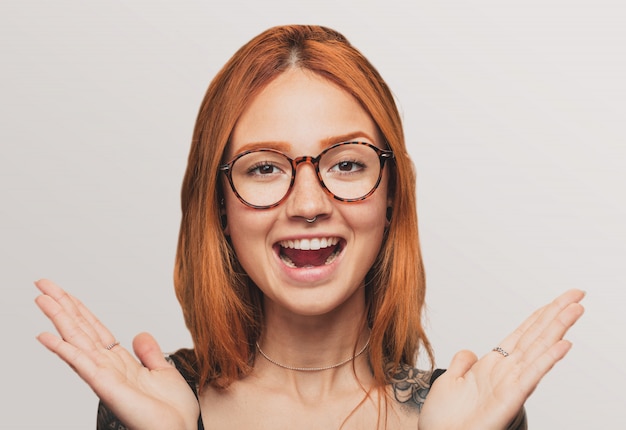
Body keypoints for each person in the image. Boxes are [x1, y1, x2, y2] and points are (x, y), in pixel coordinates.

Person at [35, 25, 585, 430]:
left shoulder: (465, 413)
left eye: (346, 163)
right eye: (264, 167)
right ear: (219, 207)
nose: (307, 204)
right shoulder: (155, 406)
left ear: (392, 196)